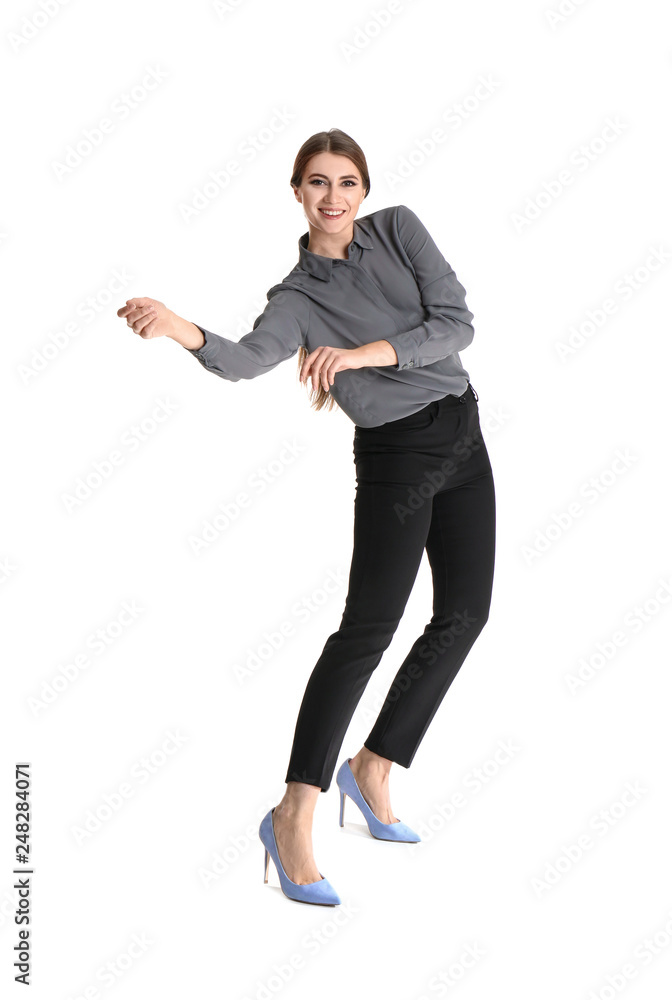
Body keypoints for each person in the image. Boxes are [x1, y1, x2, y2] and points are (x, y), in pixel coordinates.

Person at [117, 128, 496, 907]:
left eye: (347, 182)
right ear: (297, 192)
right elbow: (244, 359)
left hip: (463, 430)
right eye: (318, 182)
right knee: (366, 631)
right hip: (396, 457)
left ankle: (375, 765)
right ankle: (293, 811)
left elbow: (458, 324)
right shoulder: (297, 297)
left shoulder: (400, 229)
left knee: (465, 613)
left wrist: (360, 354)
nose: (334, 196)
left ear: (364, 189)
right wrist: (179, 327)